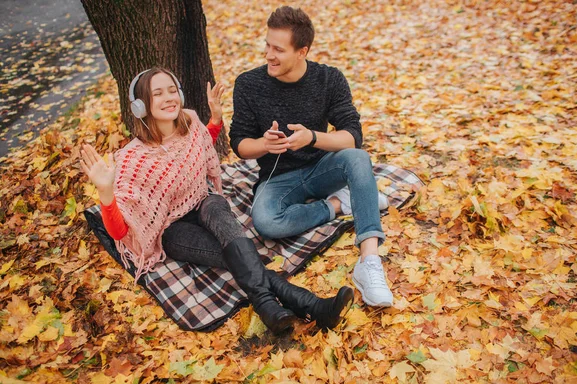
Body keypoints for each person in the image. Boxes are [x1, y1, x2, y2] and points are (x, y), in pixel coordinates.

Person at [79, 67, 354, 334]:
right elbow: (121, 231)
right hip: (172, 228)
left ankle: (269, 306)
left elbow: (199, 149)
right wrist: (105, 193)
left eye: (172, 90)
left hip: (204, 201)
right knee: (234, 257)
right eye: (158, 94)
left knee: (219, 211)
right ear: (141, 105)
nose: (168, 98)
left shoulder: (189, 121)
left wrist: (215, 120)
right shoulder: (132, 158)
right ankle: (311, 305)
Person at [229, 6, 394, 307]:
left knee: (358, 159)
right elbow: (239, 144)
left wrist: (313, 138)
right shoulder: (248, 84)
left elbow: (352, 136)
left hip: (322, 170)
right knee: (266, 222)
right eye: (267, 45)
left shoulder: (329, 79)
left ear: (302, 51)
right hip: (278, 179)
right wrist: (265, 145)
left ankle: (369, 263)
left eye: (278, 49)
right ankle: (339, 204)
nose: (268, 55)